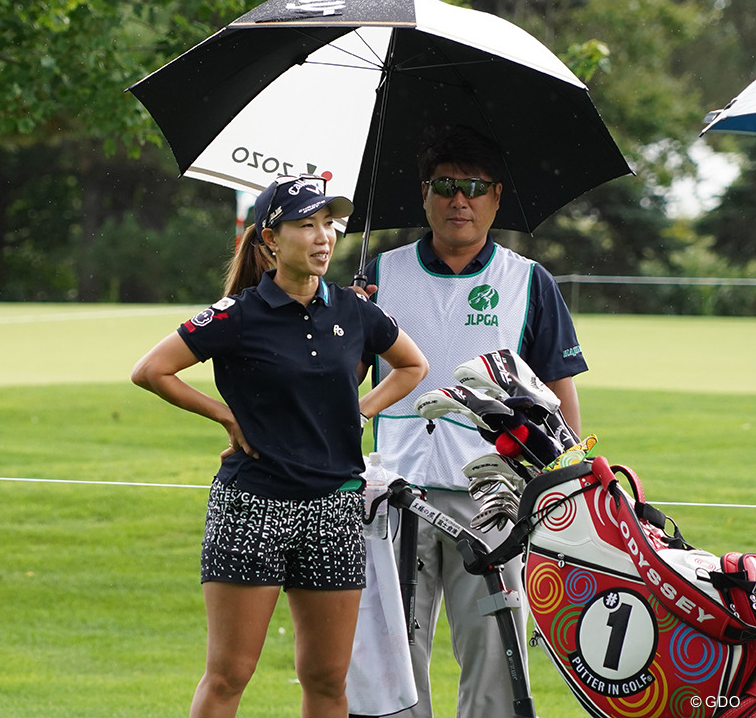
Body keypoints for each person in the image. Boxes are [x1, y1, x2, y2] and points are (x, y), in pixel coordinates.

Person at [131, 174, 428, 718]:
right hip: (253, 506)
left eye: (328, 225)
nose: (323, 238)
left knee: (327, 680)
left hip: (335, 506)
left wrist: (360, 409)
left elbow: (413, 365)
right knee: (228, 676)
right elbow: (151, 371)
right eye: (306, 225)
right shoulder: (236, 314)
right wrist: (224, 415)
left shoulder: (354, 310)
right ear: (270, 239)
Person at [353, 125, 587, 718]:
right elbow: (340, 383)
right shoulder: (378, 275)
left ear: (497, 197)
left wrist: (569, 484)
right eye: (447, 186)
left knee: (494, 657)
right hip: (393, 493)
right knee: (394, 660)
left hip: (497, 502)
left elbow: (559, 391)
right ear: (425, 193)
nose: (461, 200)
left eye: (475, 188)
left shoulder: (529, 280)